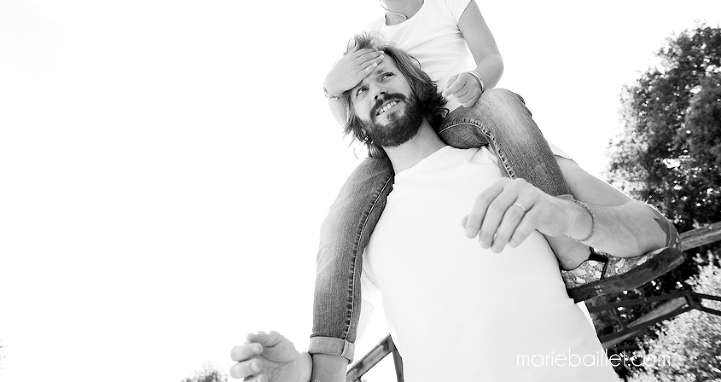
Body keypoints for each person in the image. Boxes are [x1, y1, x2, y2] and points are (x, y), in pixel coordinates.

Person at [312, 0, 681, 369]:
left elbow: (492, 56)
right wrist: (331, 87)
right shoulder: (372, 40)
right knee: (341, 216)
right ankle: (326, 356)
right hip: (404, 141)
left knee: (503, 104)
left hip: (465, 115)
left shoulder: (451, 2)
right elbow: (353, 108)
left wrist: (476, 79)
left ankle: (565, 235)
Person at [230, 34, 682, 382]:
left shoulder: (503, 156)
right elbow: (336, 342)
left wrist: (568, 216)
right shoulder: (359, 230)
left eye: (386, 75)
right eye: (360, 90)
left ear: (416, 83)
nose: (377, 91)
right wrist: (303, 374)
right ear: (353, 117)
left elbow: (657, 231)